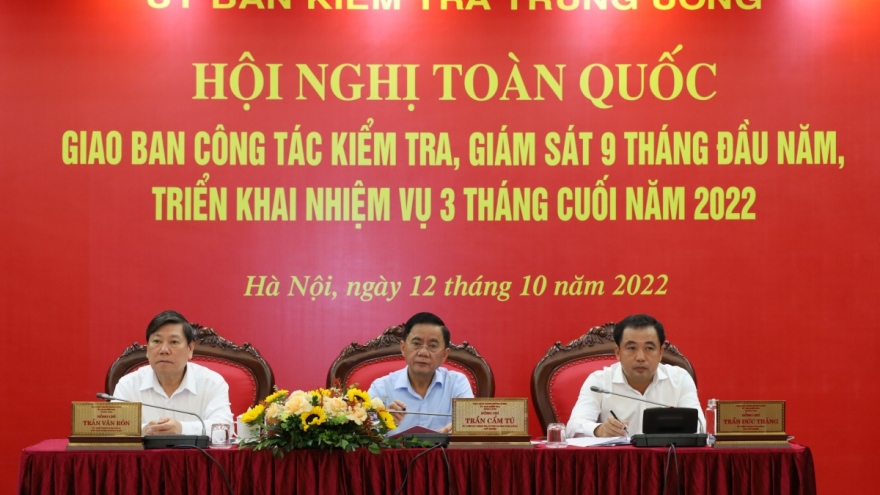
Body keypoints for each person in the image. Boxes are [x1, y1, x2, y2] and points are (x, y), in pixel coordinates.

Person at [565, 314, 705, 438]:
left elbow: (700, 426)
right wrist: (599, 430)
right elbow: (573, 427)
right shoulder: (599, 382)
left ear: (661, 352)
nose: (640, 357)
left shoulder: (680, 379)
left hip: (666, 457)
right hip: (618, 458)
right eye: (631, 348)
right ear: (618, 352)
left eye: (649, 348)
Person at [112, 310, 233, 436]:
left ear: (190, 349)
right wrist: (144, 430)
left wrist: (181, 429)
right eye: (157, 341)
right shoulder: (128, 384)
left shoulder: (211, 383)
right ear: (147, 349)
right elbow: (113, 430)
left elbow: (224, 429)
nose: (164, 350)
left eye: (174, 342)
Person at [367, 312, 474, 434]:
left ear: (444, 355)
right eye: (416, 344)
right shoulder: (381, 388)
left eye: (432, 345)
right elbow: (363, 435)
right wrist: (382, 422)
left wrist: (460, 430)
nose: (423, 352)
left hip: (444, 447)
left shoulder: (457, 383)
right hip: (395, 448)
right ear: (403, 348)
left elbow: (471, 426)